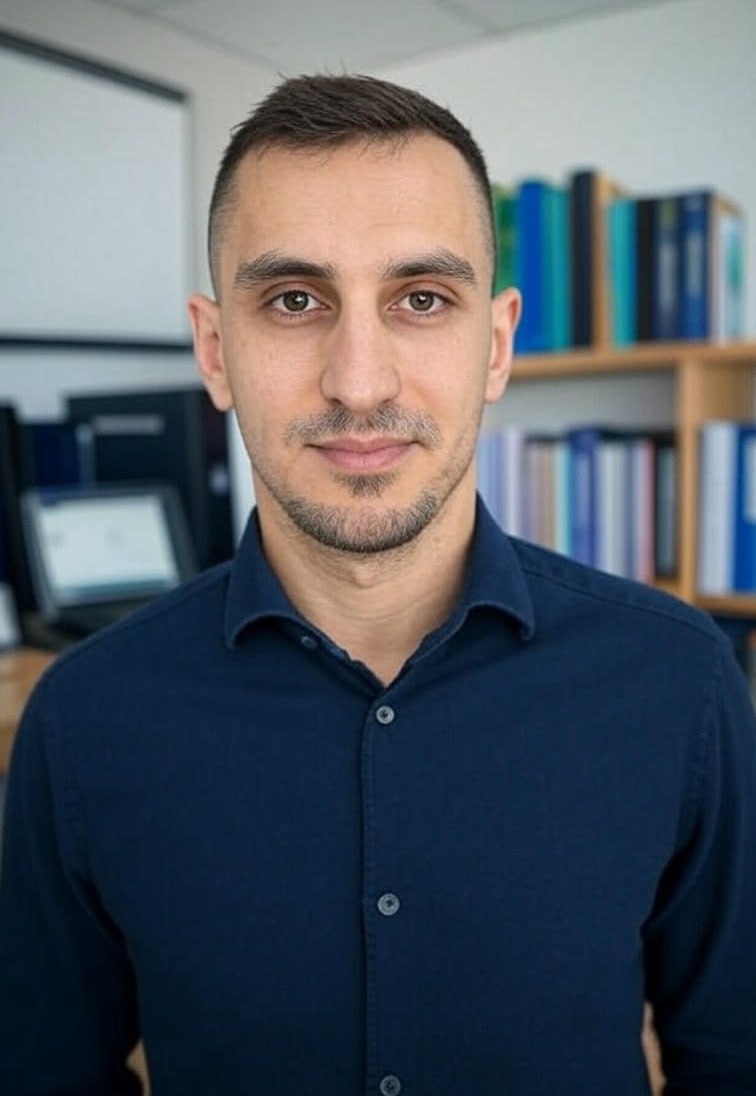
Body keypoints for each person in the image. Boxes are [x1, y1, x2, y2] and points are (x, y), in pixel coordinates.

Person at [0, 73, 755, 1096]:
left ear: (496, 346)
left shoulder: (680, 682)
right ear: (215, 351)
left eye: (422, 299)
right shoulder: (84, 720)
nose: (360, 382)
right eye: (294, 300)